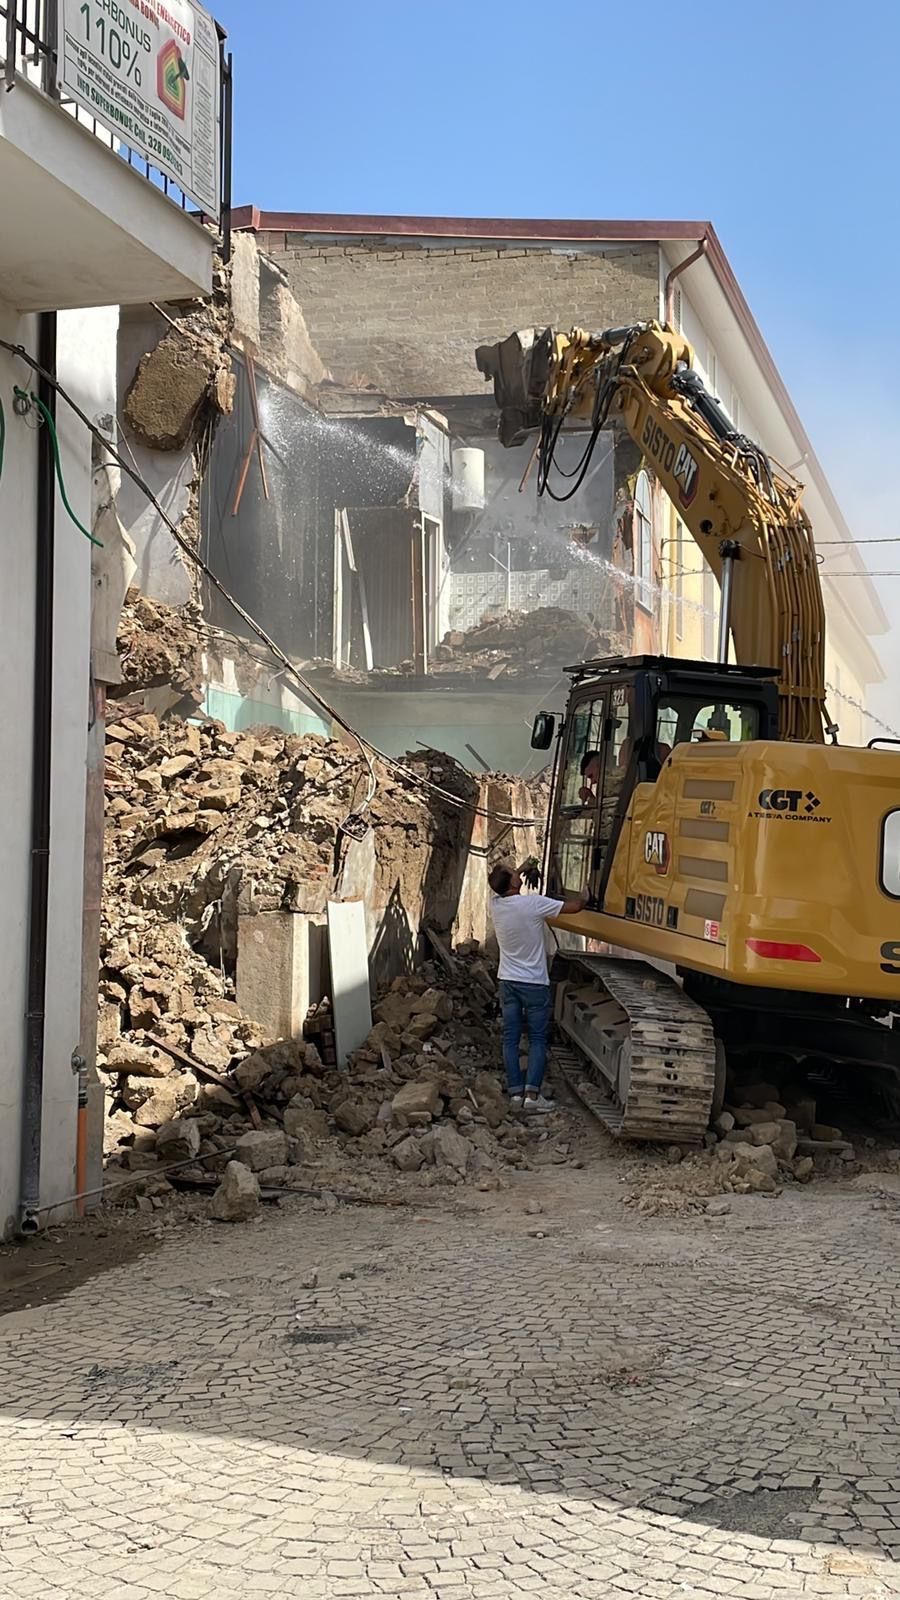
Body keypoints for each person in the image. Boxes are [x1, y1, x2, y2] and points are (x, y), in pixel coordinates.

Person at [488, 861, 588, 1112]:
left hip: (508, 982)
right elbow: (575, 907)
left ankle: (514, 1094)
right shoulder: (533, 904)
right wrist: (587, 890)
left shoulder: (496, 905)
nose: (517, 872)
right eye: (514, 872)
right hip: (534, 984)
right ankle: (532, 1096)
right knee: (537, 1039)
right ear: (513, 882)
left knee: (510, 1040)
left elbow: (501, 885)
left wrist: (518, 870)